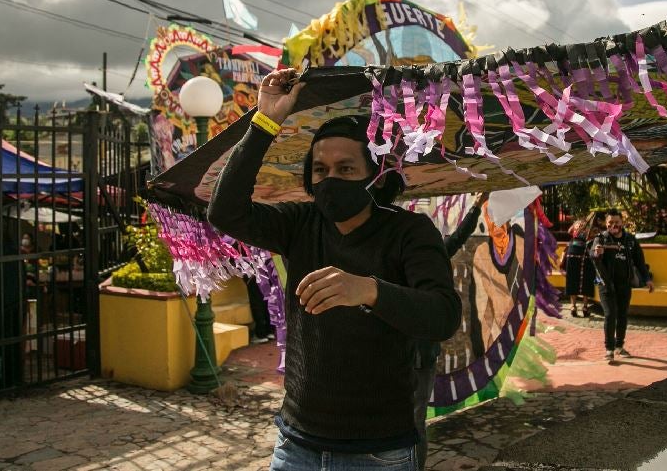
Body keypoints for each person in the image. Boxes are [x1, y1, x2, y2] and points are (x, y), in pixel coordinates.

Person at [207, 67, 461, 471]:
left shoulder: (410, 232)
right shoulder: (299, 224)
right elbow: (225, 211)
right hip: (296, 443)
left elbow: (443, 315)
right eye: (320, 170)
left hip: (379, 451)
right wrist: (266, 120)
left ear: (375, 177)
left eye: (345, 170)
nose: (329, 180)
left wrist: (370, 291)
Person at [411, 192, 488, 471]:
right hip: (404, 356)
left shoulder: (432, 255)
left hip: (419, 355)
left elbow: (460, 235)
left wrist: (477, 207)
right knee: (410, 418)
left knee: (415, 418)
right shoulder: (396, 259)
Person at [590, 210, 653, 361]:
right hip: (606, 284)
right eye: (610, 223)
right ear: (606, 224)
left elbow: (640, 261)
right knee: (610, 314)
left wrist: (647, 279)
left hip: (624, 284)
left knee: (622, 314)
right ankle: (609, 349)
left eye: (616, 222)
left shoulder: (630, 240)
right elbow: (592, 254)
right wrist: (597, 253)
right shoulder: (601, 239)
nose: (614, 225)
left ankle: (619, 346)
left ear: (622, 223)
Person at [563, 212, 602, 318]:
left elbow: (569, 231)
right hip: (584, 251)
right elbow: (595, 238)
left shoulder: (577, 223)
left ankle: (573, 306)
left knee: (572, 278)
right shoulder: (593, 227)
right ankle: (585, 307)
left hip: (572, 251)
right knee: (586, 279)